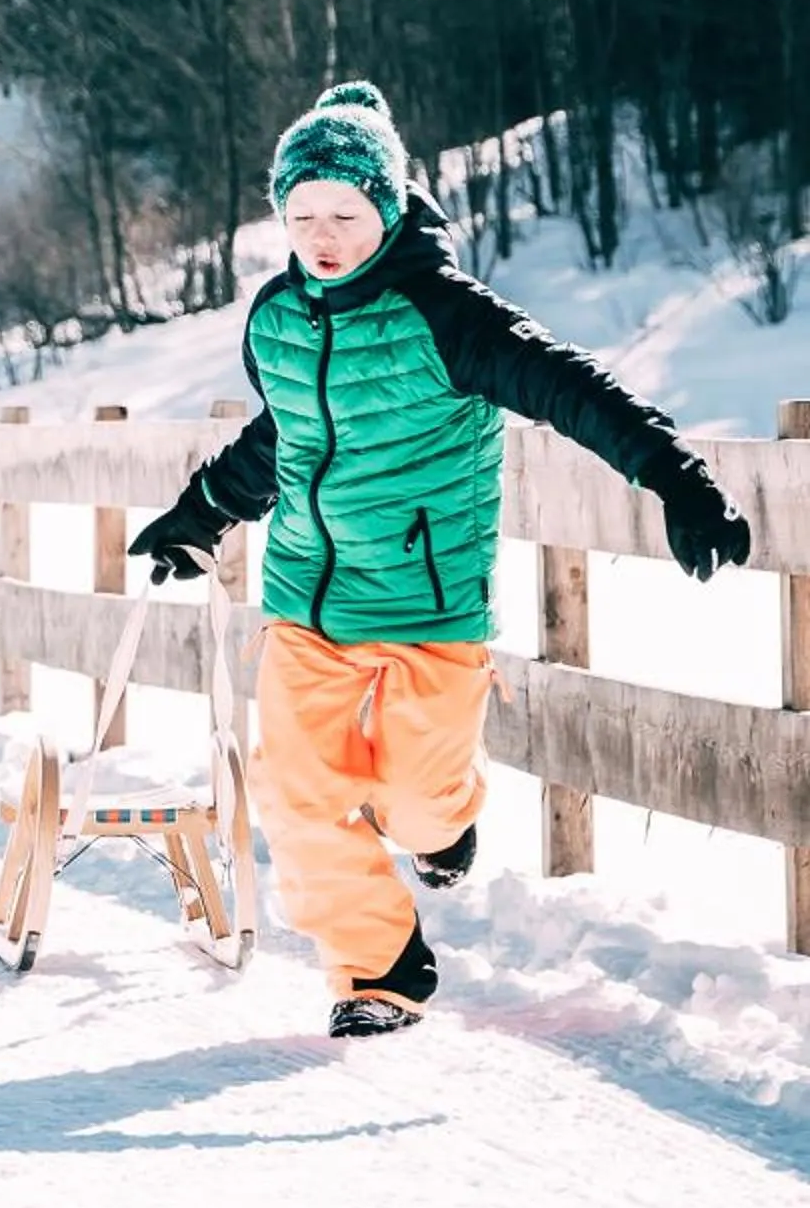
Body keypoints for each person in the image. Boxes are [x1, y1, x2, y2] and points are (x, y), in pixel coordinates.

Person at [130, 82, 750, 1038]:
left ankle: (446, 830)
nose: (322, 236)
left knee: (419, 804)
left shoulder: (447, 316)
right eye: (300, 217)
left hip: (427, 604)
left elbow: (570, 388)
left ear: (387, 206)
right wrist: (199, 514)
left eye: (344, 213)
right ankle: (378, 972)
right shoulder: (278, 319)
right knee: (299, 802)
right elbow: (285, 439)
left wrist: (675, 476)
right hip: (303, 602)